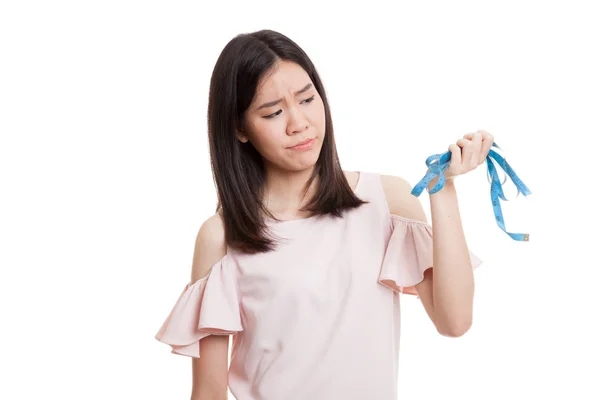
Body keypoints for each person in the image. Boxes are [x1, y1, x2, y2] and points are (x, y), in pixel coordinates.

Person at [155, 29, 490, 400]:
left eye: (307, 99)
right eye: (274, 112)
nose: (298, 122)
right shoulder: (222, 237)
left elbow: (455, 320)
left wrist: (442, 191)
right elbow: (209, 391)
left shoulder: (386, 201)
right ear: (239, 128)